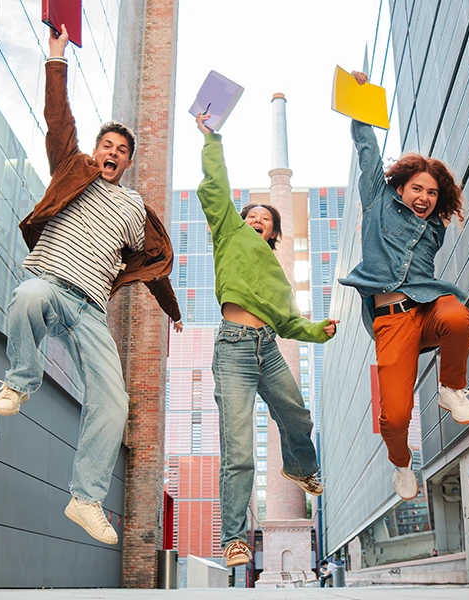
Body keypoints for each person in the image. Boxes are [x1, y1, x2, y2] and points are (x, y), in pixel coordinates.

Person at [0, 27, 181, 545]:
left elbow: (155, 264)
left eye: (122, 150)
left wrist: (174, 311)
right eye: (107, 145)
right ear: (95, 150)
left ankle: (85, 498)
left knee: (114, 402)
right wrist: (56, 56)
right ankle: (21, 379)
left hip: (90, 311)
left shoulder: (134, 209)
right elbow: (59, 119)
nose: (112, 153)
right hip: (50, 283)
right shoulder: (73, 169)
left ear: (129, 161)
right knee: (26, 295)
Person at [194, 113, 337, 567]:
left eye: (265, 218)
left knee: (297, 415)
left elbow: (290, 320)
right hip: (234, 347)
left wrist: (318, 331)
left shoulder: (276, 272)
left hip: (268, 349)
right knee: (238, 448)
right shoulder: (228, 235)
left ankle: (299, 466)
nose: (256, 219)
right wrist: (212, 139)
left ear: (274, 233)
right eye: (251, 214)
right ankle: (235, 537)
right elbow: (215, 189)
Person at [337, 71, 469, 503]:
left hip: (428, 308)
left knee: (458, 314)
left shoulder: (434, 229)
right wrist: (361, 100)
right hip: (392, 322)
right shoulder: (378, 201)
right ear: (400, 188)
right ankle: (401, 463)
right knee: (394, 416)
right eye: (417, 188)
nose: (424, 196)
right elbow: (367, 152)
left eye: (433, 193)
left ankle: (451, 389)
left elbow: (441, 290)